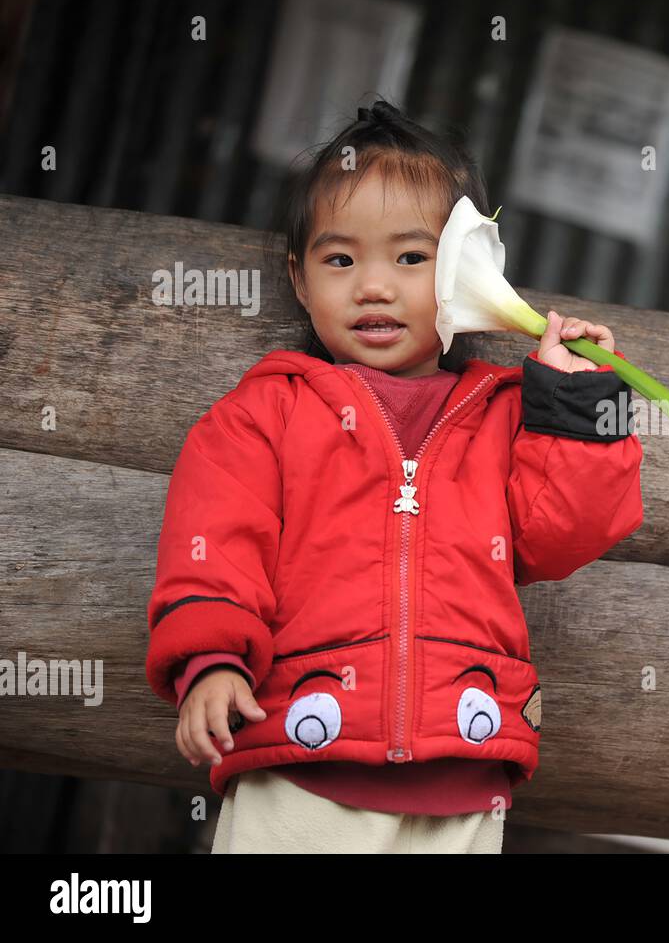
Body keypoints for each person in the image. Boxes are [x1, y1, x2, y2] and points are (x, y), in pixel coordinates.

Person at [143, 99, 643, 853]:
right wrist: (210, 661)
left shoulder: (505, 415)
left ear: (462, 276)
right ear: (300, 280)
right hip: (302, 766)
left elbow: (562, 537)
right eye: (340, 260)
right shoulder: (264, 414)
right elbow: (214, 544)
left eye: (411, 259)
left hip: (466, 777)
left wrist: (573, 404)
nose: (373, 286)